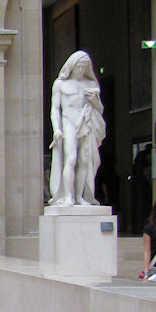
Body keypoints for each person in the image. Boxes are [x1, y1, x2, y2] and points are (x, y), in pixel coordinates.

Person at [47, 50, 106, 207]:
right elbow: (55, 109)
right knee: (71, 158)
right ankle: (68, 196)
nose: (81, 70)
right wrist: (56, 129)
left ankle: (79, 196)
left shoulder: (91, 84)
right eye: (79, 66)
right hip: (68, 122)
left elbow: (100, 109)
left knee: (84, 160)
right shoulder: (60, 84)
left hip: (85, 122)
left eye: (84, 67)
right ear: (72, 65)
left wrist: (94, 101)